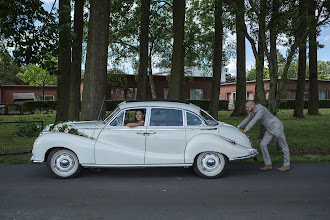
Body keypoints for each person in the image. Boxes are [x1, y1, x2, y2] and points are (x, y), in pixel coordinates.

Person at [237, 101, 290, 171]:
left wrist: (245, 130)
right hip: (269, 129)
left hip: (276, 127)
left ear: (252, 106)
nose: (246, 109)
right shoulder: (253, 112)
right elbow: (247, 119)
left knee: (283, 146)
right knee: (263, 144)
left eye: (247, 107)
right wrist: (237, 127)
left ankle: (286, 165)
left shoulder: (260, 110)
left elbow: (254, 121)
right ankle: (268, 164)